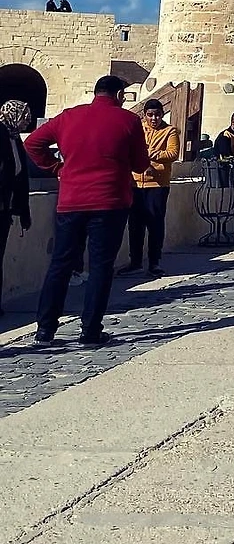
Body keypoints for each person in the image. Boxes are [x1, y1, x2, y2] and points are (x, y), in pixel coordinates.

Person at [25, 74, 151, 347]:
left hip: (71, 201)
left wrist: (56, 167)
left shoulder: (68, 117)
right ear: (119, 95)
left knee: (60, 264)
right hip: (109, 202)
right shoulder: (128, 120)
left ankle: (45, 330)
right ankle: (90, 331)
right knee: (101, 267)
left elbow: (32, 144)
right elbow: (141, 164)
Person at [124, 99, 180, 277]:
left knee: (155, 223)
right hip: (135, 183)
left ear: (162, 114)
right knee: (135, 225)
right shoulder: (138, 129)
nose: (154, 118)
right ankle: (135, 262)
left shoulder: (170, 131)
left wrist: (149, 154)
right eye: (150, 115)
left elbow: (172, 153)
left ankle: (154, 262)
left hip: (157, 185)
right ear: (145, 115)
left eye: (157, 115)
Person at [0, 100, 34, 312]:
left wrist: (23, 211)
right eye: (25, 117)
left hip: (5, 208)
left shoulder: (13, 137)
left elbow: (20, 176)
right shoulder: (1, 134)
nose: (27, 122)